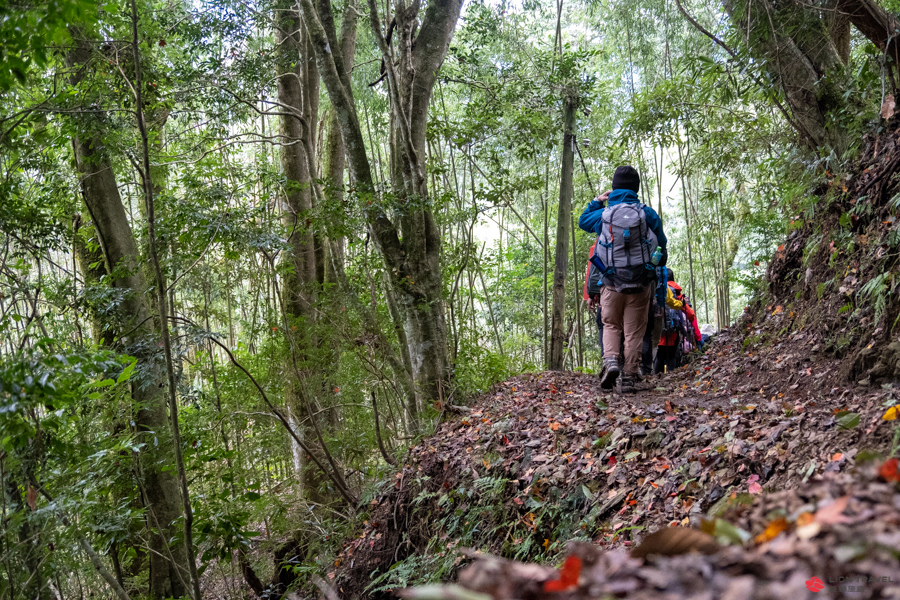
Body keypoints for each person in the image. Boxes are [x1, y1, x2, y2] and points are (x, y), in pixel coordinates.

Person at [578, 166, 668, 393]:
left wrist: (597, 201)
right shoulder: (647, 214)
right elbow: (662, 250)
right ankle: (629, 377)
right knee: (634, 331)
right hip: (640, 284)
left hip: (611, 283)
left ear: (614, 188)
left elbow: (583, 221)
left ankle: (610, 361)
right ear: (636, 188)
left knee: (611, 324)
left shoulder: (604, 215)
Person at [641, 267, 682, 376]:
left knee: (658, 357)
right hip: (670, 331)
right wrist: (682, 304)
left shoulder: (644, 280)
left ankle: (652, 375)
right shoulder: (675, 291)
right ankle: (670, 377)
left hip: (656, 329)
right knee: (671, 357)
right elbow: (671, 303)